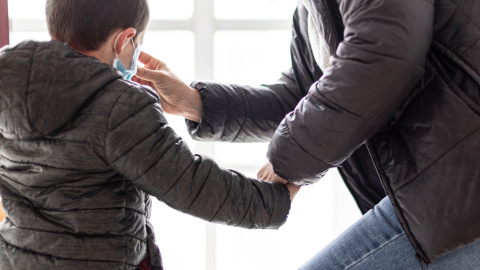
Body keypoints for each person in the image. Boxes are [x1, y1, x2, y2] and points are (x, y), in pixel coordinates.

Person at [134, 0, 480, 268]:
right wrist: (195, 103)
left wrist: (288, 160)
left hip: (456, 190)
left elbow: (384, 57)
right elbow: (302, 95)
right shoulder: (311, 13)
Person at [0, 1, 300, 269]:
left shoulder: (7, 82)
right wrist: (273, 201)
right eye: (138, 45)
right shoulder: (120, 105)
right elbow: (191, 185)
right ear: (124, 40)